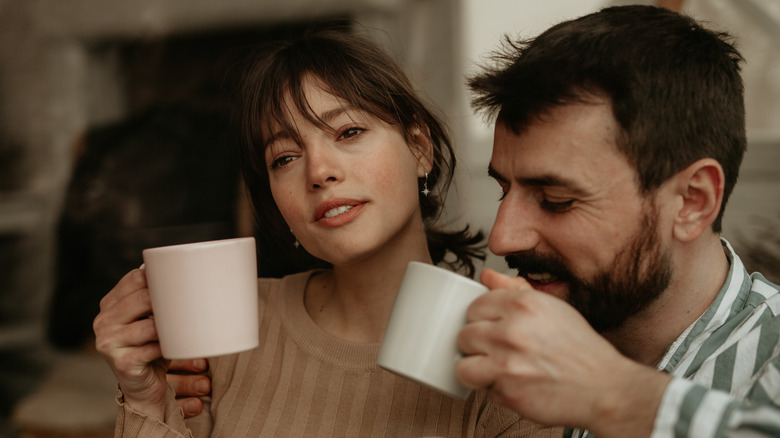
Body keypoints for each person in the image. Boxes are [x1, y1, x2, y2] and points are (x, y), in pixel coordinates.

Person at [93, 27, 561, 437]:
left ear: (419, 149)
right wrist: (145, 400)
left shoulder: (503, 348)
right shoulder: (231, 329)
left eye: (349, 132)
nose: (319, 171)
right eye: (285, 158)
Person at [454, 5, 780, 438]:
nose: (502, 238)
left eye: (556, 200)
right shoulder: (521, 357)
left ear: (692, 202)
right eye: (503, 190)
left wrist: (609, 394)